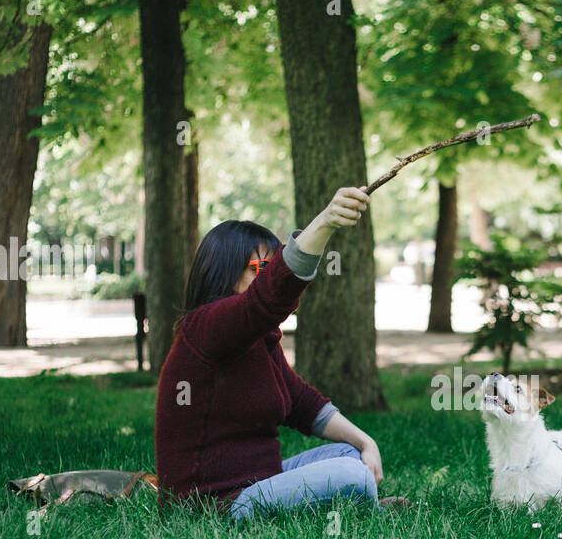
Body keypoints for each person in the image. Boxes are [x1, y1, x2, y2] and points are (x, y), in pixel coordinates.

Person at [154, 186, 401, 519]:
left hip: (259, 482)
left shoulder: (257, 339)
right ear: (224, 273)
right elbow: (268, 297)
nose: (268, 278)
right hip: (215, 506)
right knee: (352, 474)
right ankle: (360, 504)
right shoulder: (204, 329)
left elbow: (303, 404)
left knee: (351, 454)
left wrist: (367, 442)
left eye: (272, 269)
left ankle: (353, 502)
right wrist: (325, 221)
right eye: (261, 269)